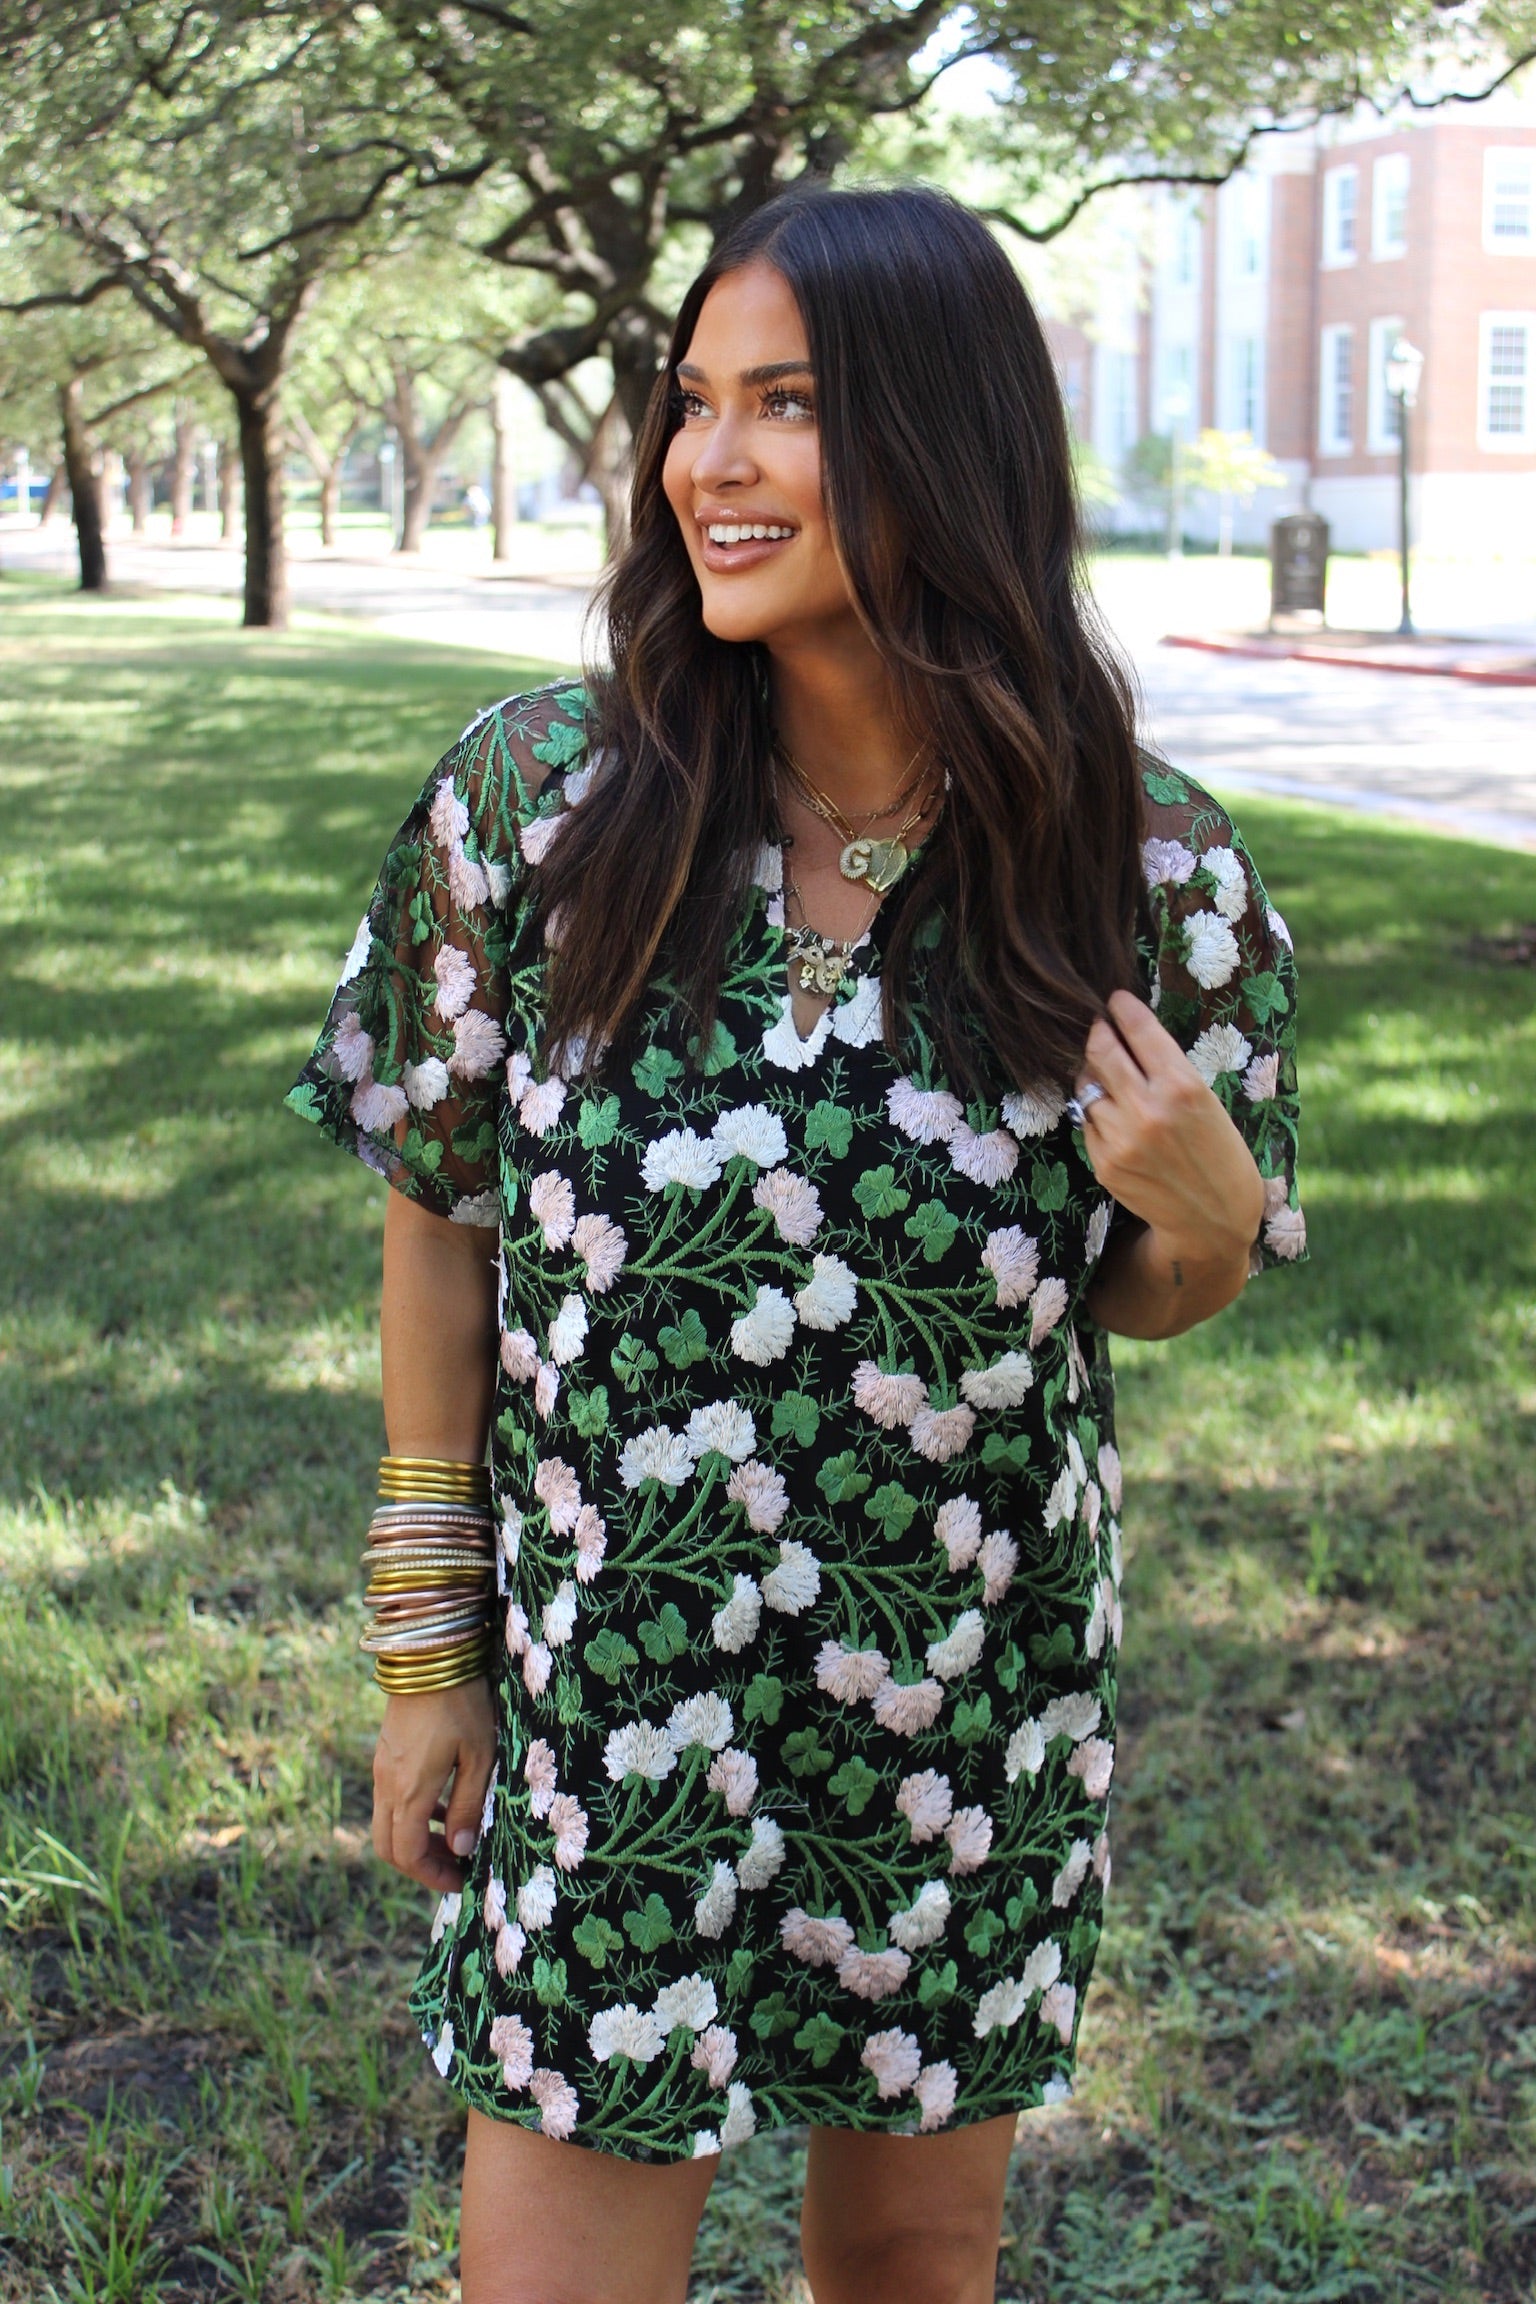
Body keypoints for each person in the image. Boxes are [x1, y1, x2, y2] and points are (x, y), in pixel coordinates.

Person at [286, 184, 1305, 2304]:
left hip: (963, 1699)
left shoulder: (1144, 872)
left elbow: (1132, 1296)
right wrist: (426, 1655)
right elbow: (438, 1228)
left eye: (790, 406)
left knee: (915, 2269)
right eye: (694, 402)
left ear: (948, 439)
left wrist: (1210, 1226)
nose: (709, 463)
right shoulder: (545, 806)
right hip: (612, 1703)